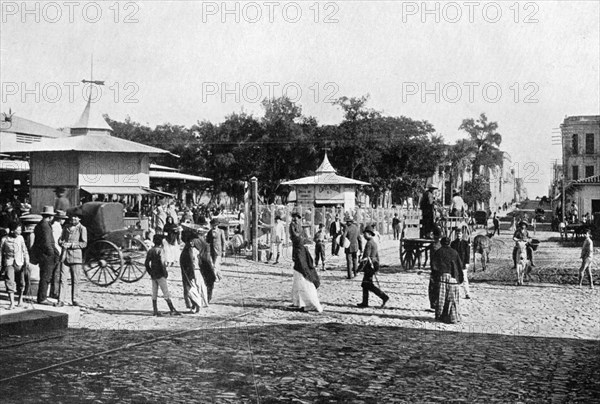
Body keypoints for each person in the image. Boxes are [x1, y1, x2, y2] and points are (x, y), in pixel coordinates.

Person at [56, 208, 87, 307]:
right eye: (72, 216)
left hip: (76, 257)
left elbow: (84, 243)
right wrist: (61, 243)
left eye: (76, 217)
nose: (73, 218)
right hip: (65, 256)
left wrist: (72, 245)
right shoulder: (66, 227)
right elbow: (60, 239)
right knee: (62, 279)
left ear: (79, 219)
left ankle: (75, 299)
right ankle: (61, 300)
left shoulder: (82, 229)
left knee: (75, 279)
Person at [145, 234, 181, 316]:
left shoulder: (150, 250)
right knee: (165, 292)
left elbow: (147, 263)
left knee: (154, 292)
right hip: (160, 273)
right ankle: (172, 309)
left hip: (153, 274)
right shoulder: (161, 250)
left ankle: (155, 310)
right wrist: (165, 272)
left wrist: (150, 272)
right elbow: (162, 263)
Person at [432, 237, 464, 323]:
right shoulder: (454, 252)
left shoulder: (438, 252)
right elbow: (459, 266)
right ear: (449, 243)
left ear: (441, 243)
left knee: (441, 299)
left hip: (442, 278)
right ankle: (453, 317)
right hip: (452, 279)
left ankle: (439, 316)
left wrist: (435, 278)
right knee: (452, 299)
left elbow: (434, 267)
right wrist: (459, 279)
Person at [356, 225, 389, 308]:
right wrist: (377, 266)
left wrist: (358, 269)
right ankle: (364, 302)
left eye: (365, 233)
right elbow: (377, 256)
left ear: (369, 234)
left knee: (368, 285)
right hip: (373, 265)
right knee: (365, 284)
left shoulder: (369, 243)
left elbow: (366, 258)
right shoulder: (374, 243)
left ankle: (384, 297)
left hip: (369, 266)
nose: (363, 235)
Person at [180, 229, 212, 312]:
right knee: (199, 287)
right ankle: (197, 305)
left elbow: (189, 261)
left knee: (191, 288)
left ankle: (196, 304)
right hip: (198, 270)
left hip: (192, 270)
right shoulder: (199, 247)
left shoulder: (189, 250)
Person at [31, 206, 58, 305]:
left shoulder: (40, 224)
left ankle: (42, 297)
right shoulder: (45, 226)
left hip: (42, 254)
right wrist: (52, 253)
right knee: (46, 277)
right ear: (50, 216)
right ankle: (42, 298)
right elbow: (47, 242)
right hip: (46, 255)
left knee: (44, 276)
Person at [1, 222, 29, 309]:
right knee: (9, 281)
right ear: (12, 231)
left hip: (20, 263)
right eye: (18, 230)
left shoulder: (20, 238)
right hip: (9, 263)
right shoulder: (4, 239)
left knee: (21, 282)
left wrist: (27, 261)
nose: (20, 231)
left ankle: (20, 300)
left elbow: (25, 251)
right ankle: (12, 303)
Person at [290, 243, 323, 313]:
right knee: (298, 287)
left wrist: (305, 272)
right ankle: (298, 303)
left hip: (302, 271)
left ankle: (311, 305)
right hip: (299, 269)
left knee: (306, 288)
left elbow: (304, 262)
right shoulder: (300, 248)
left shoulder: (301, 249)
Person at [50, 210, 68, 299]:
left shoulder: (55, 226)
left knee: (55, 273)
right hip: (57, 251)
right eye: (63, 219)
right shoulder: (57, 227)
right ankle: (55, 292)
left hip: (56, 251)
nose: (64, 221)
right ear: (60, 219)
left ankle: (53, 291)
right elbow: (56, 241)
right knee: (57, 273)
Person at [450, 228, 471, 299]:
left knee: (465, 279)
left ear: (462, 235)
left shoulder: (465, 243)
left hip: (463, 263)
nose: (458, 235)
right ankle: (456, 293)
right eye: (457, 234)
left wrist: (467, 263)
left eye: (460, 234)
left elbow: (467, 254)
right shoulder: (453, 243)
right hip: (455, 264)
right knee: (455, 278)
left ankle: (467, 293)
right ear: (456, 235)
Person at [342, 214, 362, 279]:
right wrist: (361, 248)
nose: (347, 223)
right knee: (355, 260)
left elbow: (343, 236)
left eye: (347, 221)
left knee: (349, 261)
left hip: (348, 247)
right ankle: (355, 273)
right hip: (355, 246)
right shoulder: (356, 228)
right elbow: (359, 238)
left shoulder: (347, 228)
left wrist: (342, 244)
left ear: (349, 222)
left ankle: (350, 275)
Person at [427, 227, 443, 310]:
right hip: (438, 269)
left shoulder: (433, 246)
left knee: (433, 287)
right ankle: (436, 304)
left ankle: (434, 303)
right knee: (437, 286)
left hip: (434, 269)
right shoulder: (439, 246)